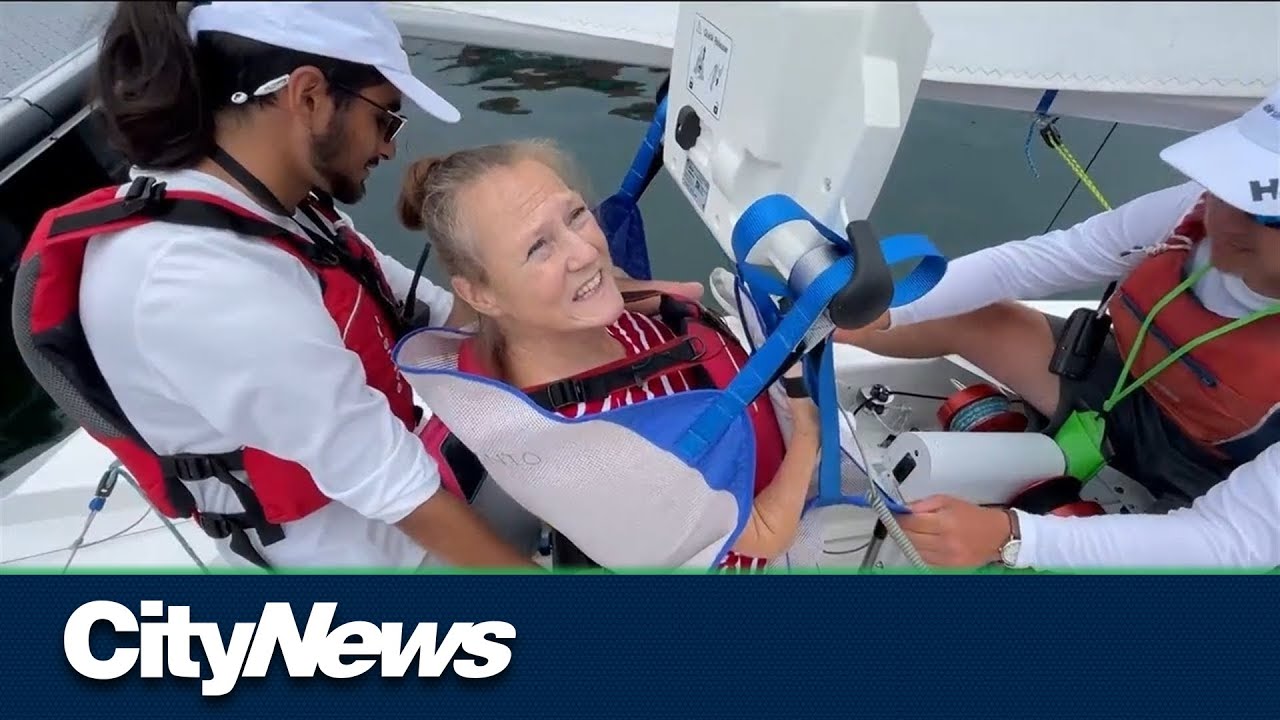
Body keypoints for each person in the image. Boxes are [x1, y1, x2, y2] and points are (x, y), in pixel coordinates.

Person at [12, 1, 688, 570]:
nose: (391, 147)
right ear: (308, 97)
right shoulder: (200, 284)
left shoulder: (277, 211)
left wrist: (623, 293)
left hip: (393, 490)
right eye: (385, 117)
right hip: (375, 559)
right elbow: (398, 490)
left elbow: (425, 310)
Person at [835, 87, 1280, 569]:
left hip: (1217, 485)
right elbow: (1046, 259)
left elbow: (1229, 538)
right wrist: (886, 310)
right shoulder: (1190, 212)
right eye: (1225, 185)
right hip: (1129, 399)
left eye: (1265, 211)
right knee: (966, 313)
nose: (1229, 222)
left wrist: (1014, 536)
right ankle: (802, 341)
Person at [394, 141, 823, 570]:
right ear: (480, 294)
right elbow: (767, 533)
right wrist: (807, 426)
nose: (585, 253)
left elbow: (686, 295)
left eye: (576, 215)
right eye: (537, 248)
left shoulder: (554, 328)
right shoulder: (601, 453)